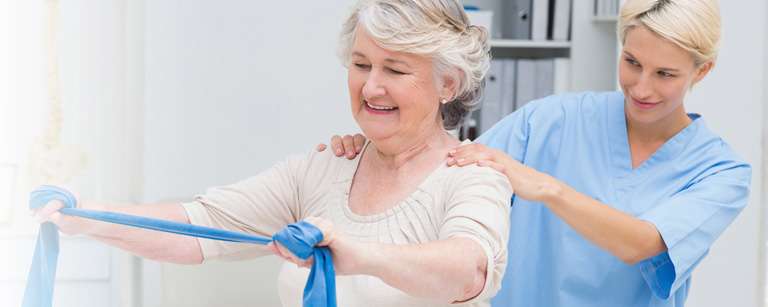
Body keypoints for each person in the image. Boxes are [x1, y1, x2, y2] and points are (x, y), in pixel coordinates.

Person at [33, 1, 513, 306]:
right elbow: (199, 227)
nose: (371, 86)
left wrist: (357, 254)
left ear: (448, 83)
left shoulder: (474, 175)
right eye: (361, 64)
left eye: (395, 70)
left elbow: (467, 271)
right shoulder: (325, 168)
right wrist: (88, 218)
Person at [320, 0, 752, 306]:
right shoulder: (550, 119)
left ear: (703, 70)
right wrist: (379, 148)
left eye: (665, 74)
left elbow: (644, 244)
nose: (641, 86)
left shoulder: (720, 172)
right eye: (632, 62)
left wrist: (546, 188)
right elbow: (445, 171)